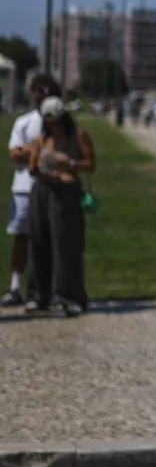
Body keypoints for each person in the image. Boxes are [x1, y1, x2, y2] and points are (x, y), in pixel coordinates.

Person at [24, 96, 95, 316]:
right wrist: (38, 165)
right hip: (43, 190)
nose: (52, 125)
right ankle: (39, 295)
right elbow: (32, 167)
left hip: (66, 191)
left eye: (56, 120)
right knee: (39, 242)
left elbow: (90, 164)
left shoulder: (79, 136)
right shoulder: (42, 138)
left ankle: (70, 296)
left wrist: (69, 164)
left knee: (66, 245)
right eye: (49, 121)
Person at [2, 75, 56, 307]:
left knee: (48, 240)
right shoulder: (23, 122)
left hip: (51, 186)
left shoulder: (58, 122)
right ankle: (15, 287)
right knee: (21, 238)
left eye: (41, 90)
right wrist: (38, 150)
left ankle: (46, 288)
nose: (36, 94)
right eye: (33, 90)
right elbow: (14, 154)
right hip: (24, 187)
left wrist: (31, 150)